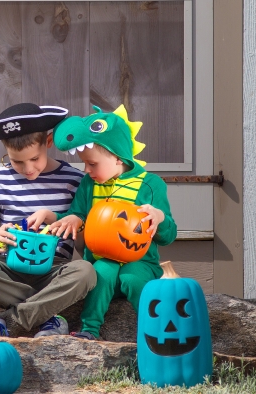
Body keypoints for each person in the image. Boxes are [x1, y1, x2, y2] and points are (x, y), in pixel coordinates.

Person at [31, 104, 177, 340]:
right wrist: (58, 217)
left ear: (118, 157)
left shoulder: (150, 184)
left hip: (140, 263)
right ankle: (90, 330)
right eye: (84, 164)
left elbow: (169, 235)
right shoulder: (89, 184)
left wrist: (159, 219)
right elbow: (78, 216)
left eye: (92, 164)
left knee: (133, 278)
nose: (86, 170)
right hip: (102, 260)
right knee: (101, 271)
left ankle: (155, 333)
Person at [0, 103, 97, 339]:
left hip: (54, 271)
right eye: (17, 161)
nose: (28, 168)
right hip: (9, 269)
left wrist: (75, 224)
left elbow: (85, 250)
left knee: (86, 272)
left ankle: (7, 321)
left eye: (34, 158)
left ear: (49, 142)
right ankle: (47, 314)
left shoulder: (75, 181)